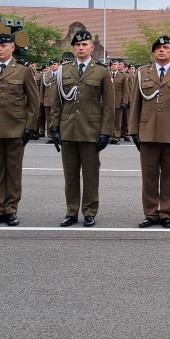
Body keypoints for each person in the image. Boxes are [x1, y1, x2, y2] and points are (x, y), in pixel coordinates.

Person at [0, 32, 40, 226]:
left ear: (12, 47)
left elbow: (33, 102)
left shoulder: (23, 70)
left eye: (3, 46)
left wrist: (29, 127)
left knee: (13, 171)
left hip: (15, 128)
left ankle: (11, 209)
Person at [49, 31, 114, 227]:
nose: (81, 48)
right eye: (77, 45)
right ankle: (71, 211)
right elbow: (57, 102)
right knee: (70, 174)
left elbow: (109, 105)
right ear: (73, 48)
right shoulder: (63, 70)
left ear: (91, 47)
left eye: (84, 45)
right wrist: (54, 127)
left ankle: (89, 211)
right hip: (68, 129)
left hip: (91, 130)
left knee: (91, 174)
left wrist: (105, 132)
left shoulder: (102, 71)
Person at [130, 35, 170, 227]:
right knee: (148, 176)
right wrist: (134, 131)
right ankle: (150, 213)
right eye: (158, 48)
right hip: (147, 131)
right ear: (153, 52)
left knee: (169, 176)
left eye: (166, 47)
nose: (161, 50)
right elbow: (135, 104)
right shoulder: (142, 73)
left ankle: (166, 213)